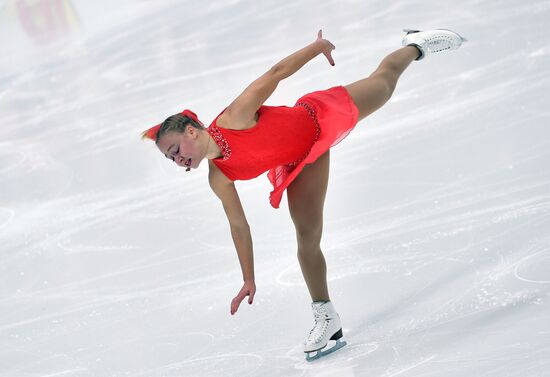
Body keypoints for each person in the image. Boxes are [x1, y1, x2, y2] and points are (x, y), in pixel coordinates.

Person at [141, 28, 466, 361]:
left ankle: (416, 45)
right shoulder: (218, 177)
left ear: (192, 131)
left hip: (319, 116)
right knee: (307, 238)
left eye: (176, 149)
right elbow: (239, 225)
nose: (177, 159)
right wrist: (248, 278)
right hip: (300, 161)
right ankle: (326, 316)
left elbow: (275, 74)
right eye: (171, 158)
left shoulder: (234, 118)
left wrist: (316, 47)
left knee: (384, 82)